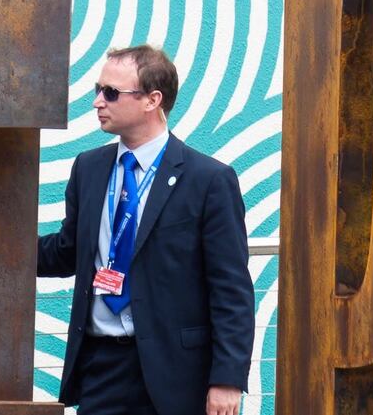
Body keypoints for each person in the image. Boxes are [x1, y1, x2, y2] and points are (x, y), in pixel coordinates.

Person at [37, 45, 254, 415]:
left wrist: (227, 379)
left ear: (152, 100)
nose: (97, 102)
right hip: (101, 366)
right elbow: (67, 251)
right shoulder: (88, 168)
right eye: (98, 90)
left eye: (111, 93)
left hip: (177, 373)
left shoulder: (209, 180)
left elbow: (231, 288)